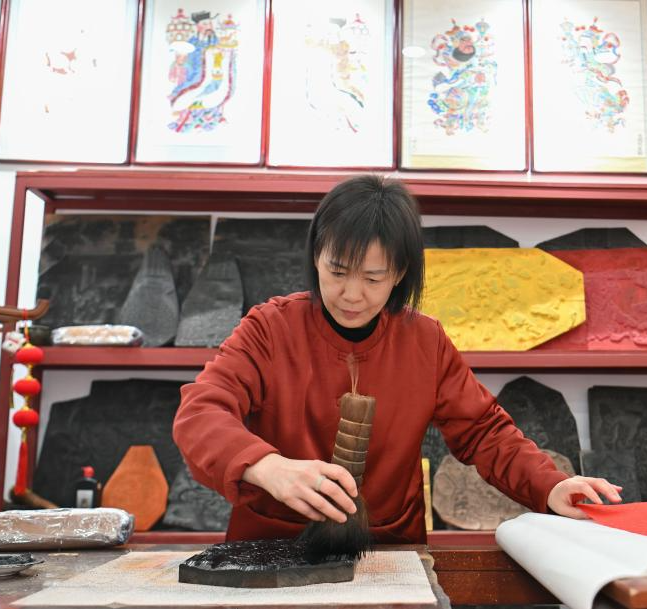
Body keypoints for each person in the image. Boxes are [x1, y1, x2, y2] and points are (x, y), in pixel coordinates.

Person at [173, 175, 622, 544]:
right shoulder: (270, 328)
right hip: (272, 544)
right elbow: (201, 412)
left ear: (400, 273)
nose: (352, 295)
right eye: (337, 271)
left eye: (373, 278)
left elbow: (484, 432)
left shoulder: (424, 340)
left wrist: (550, 485)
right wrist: (267, 467)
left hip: (387, 548)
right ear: (316, 257)